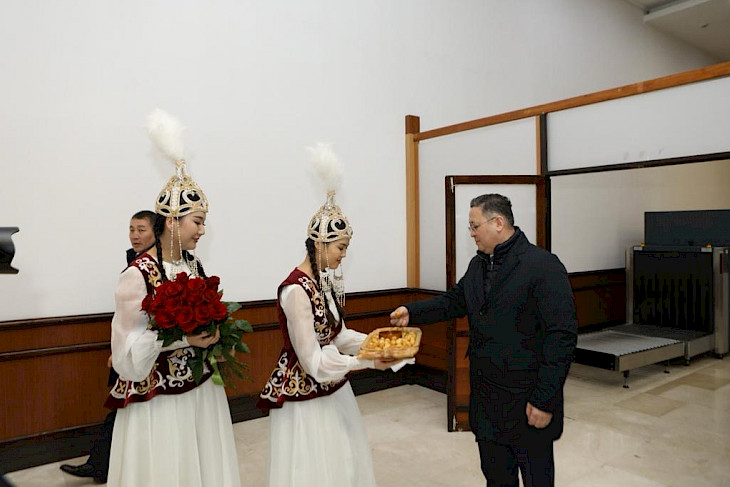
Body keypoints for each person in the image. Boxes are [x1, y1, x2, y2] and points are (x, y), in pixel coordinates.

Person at [390, 194, 577, 487]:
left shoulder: (543, 265)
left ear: (498, 222)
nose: (472, 233)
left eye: (474, 226)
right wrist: (411, 312)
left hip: (526, 400)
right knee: (496, 477)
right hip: (487, 401)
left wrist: (544, 399)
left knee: (537, 478)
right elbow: (454, 301)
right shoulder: (478, 266)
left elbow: (561, 337)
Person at [103, 110, 241, 486]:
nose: (202, 230)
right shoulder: (136, 275)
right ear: (171, 221)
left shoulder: (193, 265)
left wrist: (216, 337)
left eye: (204, 222)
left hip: (201, 391)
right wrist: (183, 339)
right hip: (159, 400)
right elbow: (126, 356)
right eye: (197, 221)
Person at [257, 144, 397, 487]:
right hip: (305, 392)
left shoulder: (323, 282)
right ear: (319, 243)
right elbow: (313, 362)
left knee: (343, 458)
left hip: (333, 383)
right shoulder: (295, 290)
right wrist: (367, 361)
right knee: (314, 465)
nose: (343, 256)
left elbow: (338, 334)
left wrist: (377, 342)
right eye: (341, 248)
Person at [60, 210, 157, 483]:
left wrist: (124, 350)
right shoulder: (135, 261)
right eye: (131, 229)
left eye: (141, 229)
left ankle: (101, 465)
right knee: (121, 406)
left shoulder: (157, 266)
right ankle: (100, 465)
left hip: (146, 351)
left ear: (156, 232)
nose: (135, 235)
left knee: (124, 407)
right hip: (130, 349)